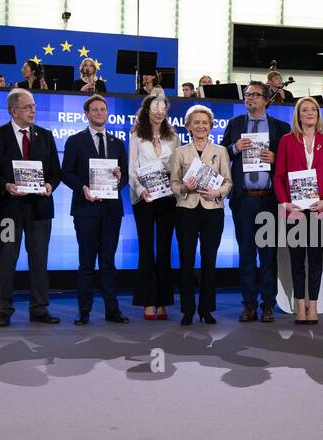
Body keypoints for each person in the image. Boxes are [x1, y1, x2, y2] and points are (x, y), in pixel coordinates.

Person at [0, 89, 62, 326]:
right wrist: (5, 185)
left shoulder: (45, 136)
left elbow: (55, 172)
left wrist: (49, 185)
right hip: (8, 210)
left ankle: (39, 308)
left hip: (39, 210)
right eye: (28, 107)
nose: (33, 111)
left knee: (39, 259)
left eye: (34, 107)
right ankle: (2, 309)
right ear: (13, 110)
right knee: (6, 258)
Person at [221, 79, 288, 322]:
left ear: (266, 99)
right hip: (244, 200)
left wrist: (276, 157)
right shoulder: (235, 124)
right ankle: (248, 304)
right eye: (247, 95)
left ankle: (267, 305)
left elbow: (290, 161)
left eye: (255, 95)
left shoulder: (280, 127)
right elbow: (220, 155)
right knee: (246, 254)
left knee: (268, 255)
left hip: (269, 199)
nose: (249, 99)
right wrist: (234, 148)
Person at [62, 94, 130, 325]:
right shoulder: (75, 141)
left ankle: (112, 310)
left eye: (103, 109)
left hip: (111, 210)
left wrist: (120, 179)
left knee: (108, 263)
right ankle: (84, 312)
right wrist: (82, 188)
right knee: (87, 263)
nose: (99, 113)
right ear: (87, 114)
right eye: (95, 110)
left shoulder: (117, 143)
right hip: (85, 209)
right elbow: (66, 173)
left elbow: (126, 177)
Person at [274, 98, 323, 325]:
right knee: (296, 260)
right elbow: (279, 176)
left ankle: (314, 305)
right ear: (298, 115)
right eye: (305, 110)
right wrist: (285, 203)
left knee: (315, 260)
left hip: (320, 210)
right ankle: (299, 304)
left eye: (314, 109)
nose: (310, 113)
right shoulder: (286, 141)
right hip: (295, 211)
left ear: (318, 114)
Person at [170, 104, 232, 325]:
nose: (201, 126)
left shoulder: (221, 151)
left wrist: (219, 192)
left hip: (212, 210)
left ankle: (207, 310)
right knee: (186, 261)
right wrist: (184, 188)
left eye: (205, 122)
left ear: (211, 126)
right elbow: (174, 184)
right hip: (186, 210)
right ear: (188, 126)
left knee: (209, 260)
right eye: (196, 122)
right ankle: (187, 310)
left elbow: (228, 182)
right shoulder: (180, 152)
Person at [128, 94, 178, 320]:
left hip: (167, 198)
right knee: (147, 249)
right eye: (155, 107)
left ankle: (163, 301)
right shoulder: (137, 135)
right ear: (147, 110)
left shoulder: (173, 136)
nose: (159, 111)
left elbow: (177, 168)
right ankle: (148, 301)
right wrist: (140, 190)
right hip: (145, 198)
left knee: (165, 249)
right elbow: (131, 169)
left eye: (163, 108)